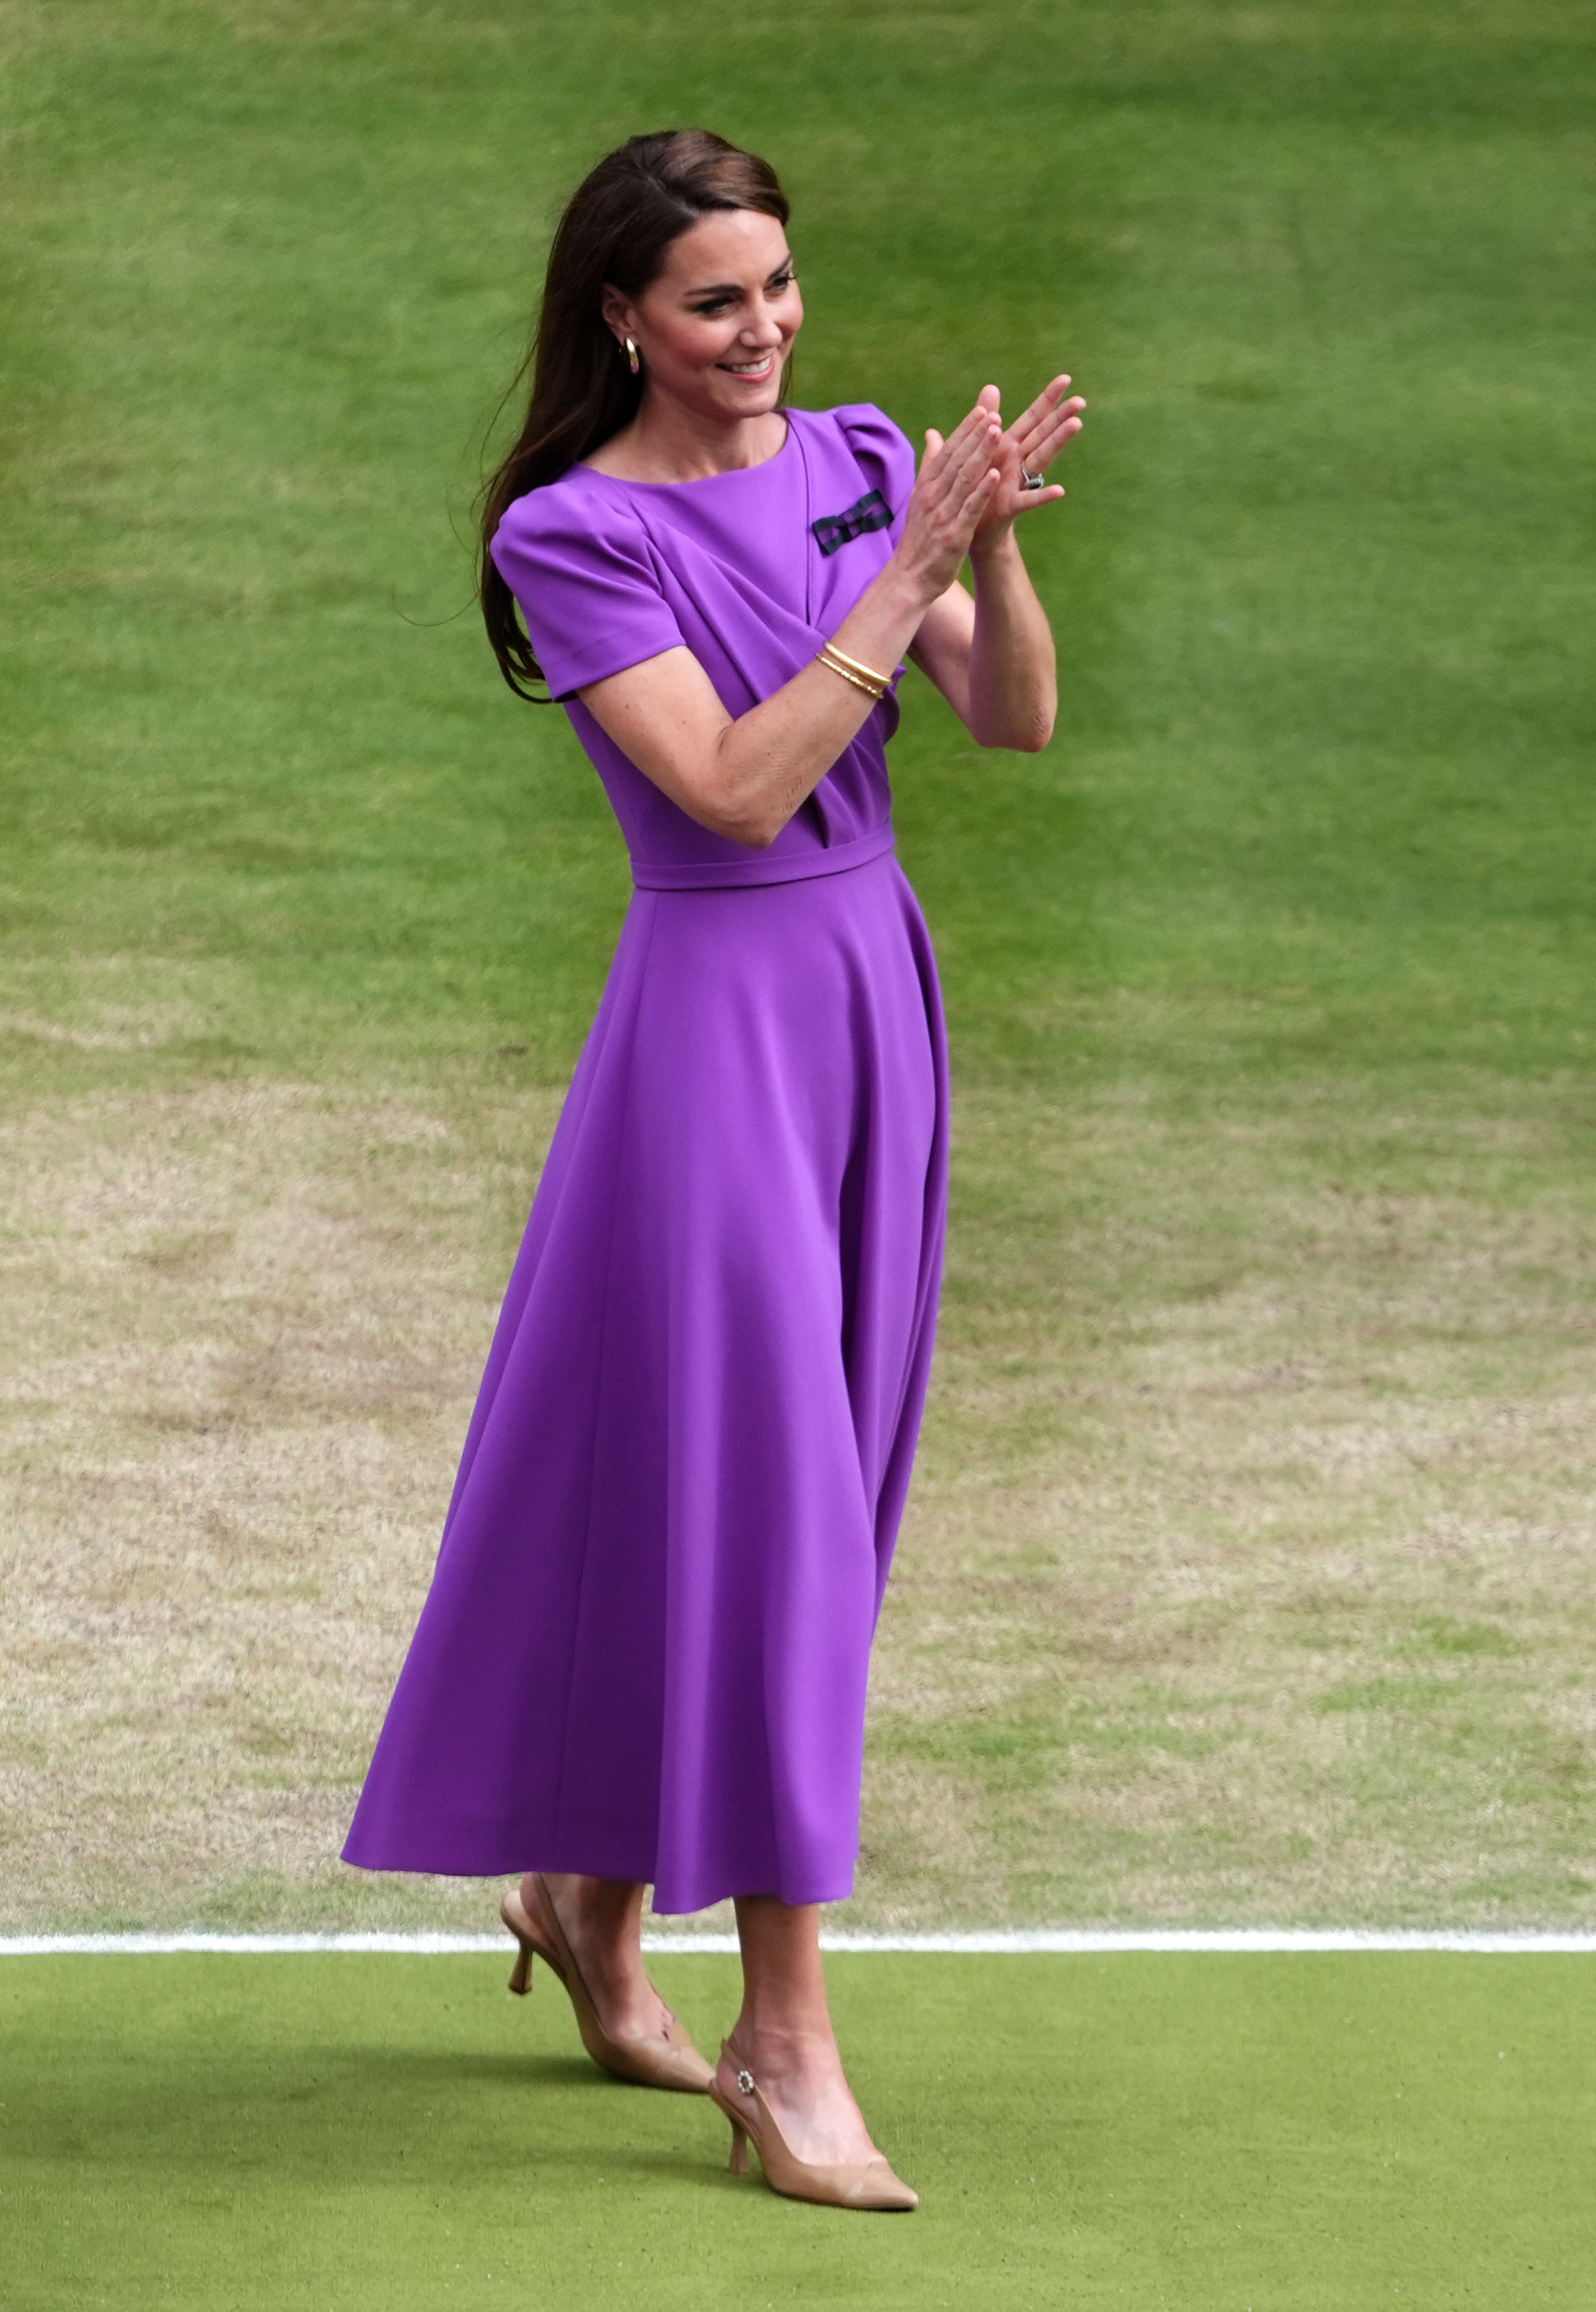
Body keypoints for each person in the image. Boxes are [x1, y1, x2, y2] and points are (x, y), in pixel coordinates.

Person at [342, 127, 1080, 2212]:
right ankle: (784, 2038)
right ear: (619, 320)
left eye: (776, 288)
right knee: (773, 1530)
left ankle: (589, 1895)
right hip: (716, 1039)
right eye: (711, 302)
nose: (761, 334)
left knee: (811, 1489)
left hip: (873, 1007)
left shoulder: (857, 455)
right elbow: (740, 793)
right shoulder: (567, 534)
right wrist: (904, 568)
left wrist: (985, 549)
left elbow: (1013, 728)